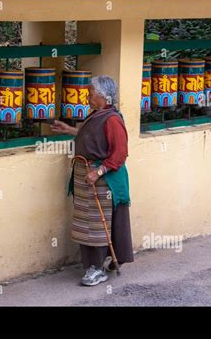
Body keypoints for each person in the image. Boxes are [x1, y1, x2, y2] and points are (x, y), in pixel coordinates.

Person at [51, 75, 134, 286]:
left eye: (91, 93)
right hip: (85, 176)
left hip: (103, 180)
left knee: (98, 225)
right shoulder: (98, 115)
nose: (87, 96)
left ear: (104, 97)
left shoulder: (113, 119)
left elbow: (120, 153)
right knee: (85, 224)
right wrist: (70, 130)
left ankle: (97, 269)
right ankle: (91, 266)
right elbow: (94, 136)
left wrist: (98, 172)